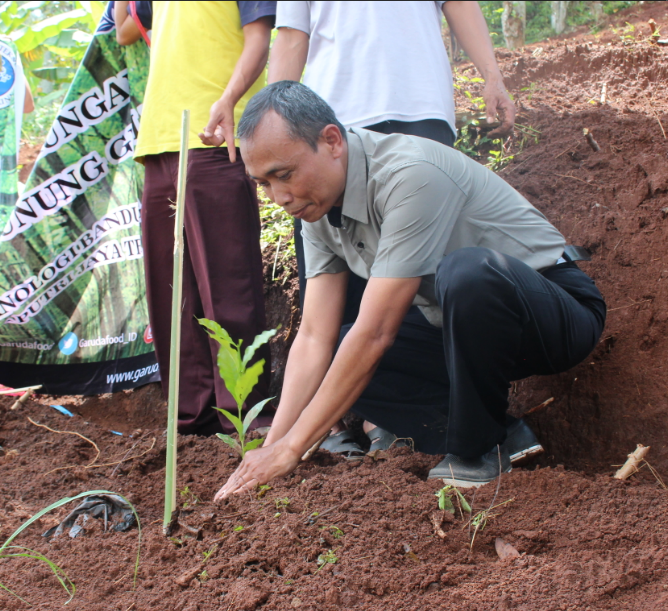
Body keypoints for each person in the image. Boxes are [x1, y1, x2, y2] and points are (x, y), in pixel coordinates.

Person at [214, 82, 606, 497]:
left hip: (553, 312)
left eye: (284, 175)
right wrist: (274, 447)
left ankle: (475, 452)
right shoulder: (315, 211)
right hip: (460, 334)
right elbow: (314, 337)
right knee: (343, 353)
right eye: (263, 185)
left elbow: (378, 332)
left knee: (467, 273)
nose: (280, 197)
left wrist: (294, 448)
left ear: (331, 141)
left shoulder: (409, 174)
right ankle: (506, 436)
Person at [263, 1, 519, 455]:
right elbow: (291, 35)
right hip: (326, 118)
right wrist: (272, 132)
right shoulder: (310, 176)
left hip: (417, 104)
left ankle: (453, 423)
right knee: (344, 306)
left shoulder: (419, 169)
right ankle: (354, 422)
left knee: (422, 291)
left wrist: (491, 74)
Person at [132, 2, 277, 435]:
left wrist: (230, 98)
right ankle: (191, 420)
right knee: (171, 293)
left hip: (213, 134)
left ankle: (246, 419)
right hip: (158, 138)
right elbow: (126, 28)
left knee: (228, 287)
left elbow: (260, 36)